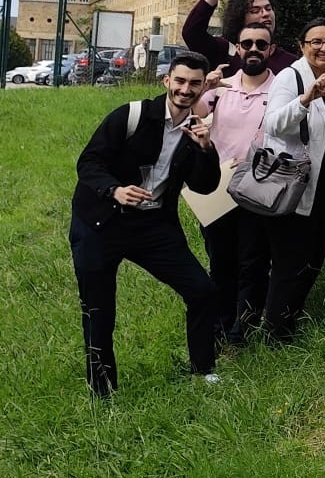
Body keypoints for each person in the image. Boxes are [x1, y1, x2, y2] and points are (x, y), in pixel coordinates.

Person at [68, 54, 222, 396]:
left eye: (194, 84)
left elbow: (205, 185)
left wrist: (205, 149)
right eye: (180, 81)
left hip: (153, 226)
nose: (186, 89)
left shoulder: (197, 130)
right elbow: (89, 162)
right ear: (166, 81)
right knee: (99, 309)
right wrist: (115, 191)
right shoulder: (133, 115)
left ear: (202, 87)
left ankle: (203, 370)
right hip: (100, 221)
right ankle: (103, 392)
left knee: (203, 291)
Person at [259, 19, 325, 340]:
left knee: (313, 259)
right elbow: (272, 124)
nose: (323, 48)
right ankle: (276, 332)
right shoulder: (291, 77)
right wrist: (304, 100)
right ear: (302, 45)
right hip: (294, 187)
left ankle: (292, 318)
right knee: (290, 261)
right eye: (316, 41)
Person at [194, 27, 278, 344]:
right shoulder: (221, 86)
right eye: (247, 43)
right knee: (220, 260)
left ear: (271, 49)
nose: (253, 48)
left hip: (258, 186)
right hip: (218, 187)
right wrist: (205, 86)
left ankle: (242, 327)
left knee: (253, 262)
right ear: (238, 49)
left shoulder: (280, 88)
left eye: (261, 44)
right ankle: (219, 322)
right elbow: (188, 112)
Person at [182, 0, 298, 76]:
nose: (266, 14)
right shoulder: (224, 51)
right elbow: (191, 33)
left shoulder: (290, 62)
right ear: (239, 17)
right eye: (255, 10)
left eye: (268, 8)